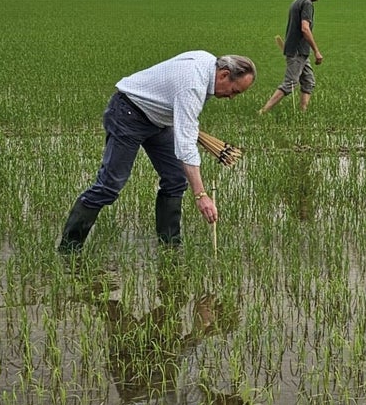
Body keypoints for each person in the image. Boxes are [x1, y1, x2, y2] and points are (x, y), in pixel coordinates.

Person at [58, 52, 256, 254]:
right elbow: (186, 146)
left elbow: (183, 118)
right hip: (128, 114)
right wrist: (201, 195)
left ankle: (170, 247)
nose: (231, 97)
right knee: (109, 186)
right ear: (223, 75)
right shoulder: (193, 86)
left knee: (176, 179)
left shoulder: (208, 64)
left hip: (158, 119)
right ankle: (69, 249)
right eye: (234, 91)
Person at [259, 0, 325, 113]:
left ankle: (302, 113)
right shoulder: (306, 4)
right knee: (290, 83)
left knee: (308, 82)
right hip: (297, 52)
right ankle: (262, 112)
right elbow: (305, 29)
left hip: (299, 51)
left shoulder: (297, 1)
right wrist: (317, 51)